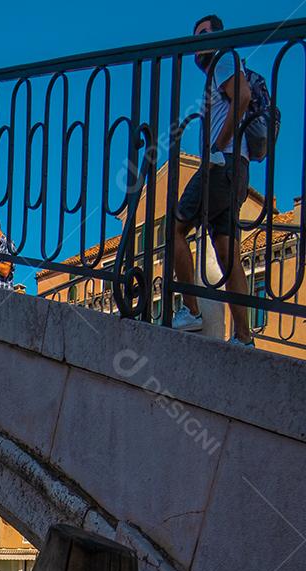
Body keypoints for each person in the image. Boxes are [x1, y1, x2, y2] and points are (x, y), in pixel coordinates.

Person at [171, 14, 255, 347]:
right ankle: (244, 336)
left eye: (203, 35)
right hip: (238, 167)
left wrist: (217, 147)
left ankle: (190, 311)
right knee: (225, 248)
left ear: (216, 37)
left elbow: (244, 97)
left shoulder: (223, 58)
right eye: (195, 39)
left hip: (221, 164)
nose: (197, 44)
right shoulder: (228, 63)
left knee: (176, 228)